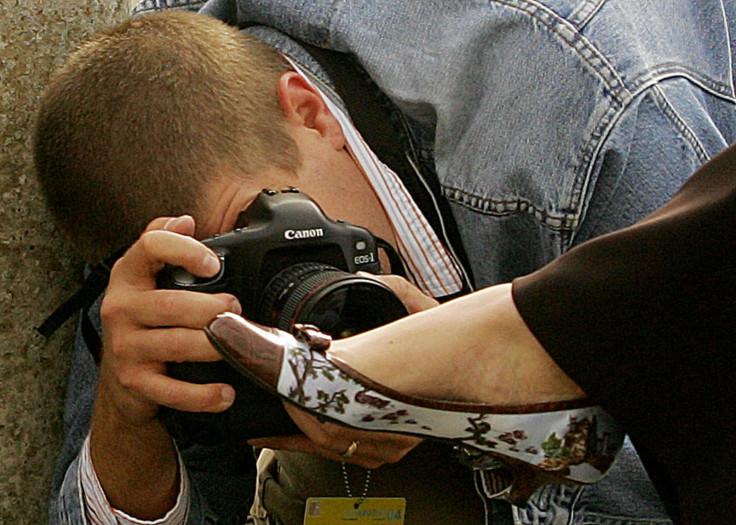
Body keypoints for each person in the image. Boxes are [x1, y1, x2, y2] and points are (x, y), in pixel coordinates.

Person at [33, 1, 735, 523]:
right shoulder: (165, 205)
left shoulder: (591, 129)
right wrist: (127, 424)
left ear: (310, 112)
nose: (278, 293)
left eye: (269, 225)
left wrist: (463, 410)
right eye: (235, 266)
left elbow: (694, 449)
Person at [222, 141, 736, 525]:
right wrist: (140, 429)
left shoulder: (586, 123)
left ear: (311, 113)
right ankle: (538, 332)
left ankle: (533, 338)